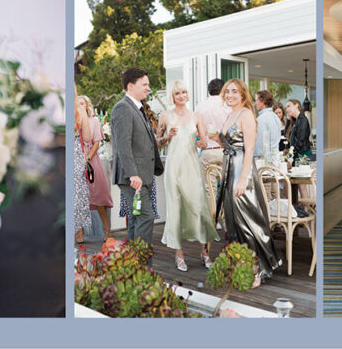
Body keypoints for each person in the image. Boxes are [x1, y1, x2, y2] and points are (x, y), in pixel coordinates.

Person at [215, 79, 282, 287]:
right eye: (227, 91)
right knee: (233, 221)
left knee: (247, 222)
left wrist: (243, 179)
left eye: (235, 91)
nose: (230, 95)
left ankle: (258, 270)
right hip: (229, 168)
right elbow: (229, 144)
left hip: (241, 170)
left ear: (243, 94)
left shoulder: (246, 115)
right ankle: (241, 266)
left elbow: (250, 149)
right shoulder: (230, 114)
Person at [157, 81, 218, 271]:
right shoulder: (165, 116)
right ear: (172, 96)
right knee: (175, 210)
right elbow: (158, 142)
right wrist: (168, 136)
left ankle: (205, 253)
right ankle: (179, 255)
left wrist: (202, 143)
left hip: (193, 167)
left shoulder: (196, 115)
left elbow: (204, 142)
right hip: (174, 168)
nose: (182, 96)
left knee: (199, 208)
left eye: (184, 92)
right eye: (177, 93)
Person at [110, 68, 163, 248]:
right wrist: (133, 174)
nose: (148, 88)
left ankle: (133, 260)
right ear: (131, 86)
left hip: (143, 175)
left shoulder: (138, 108)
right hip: (132, 177)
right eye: (144, 84)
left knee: (136, 218)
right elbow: (123, 145)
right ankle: (142, 260)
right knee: (146, 217)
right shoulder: (123, 108)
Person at [78, 95, 113, 240]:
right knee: (78, 198)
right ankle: (79, 232)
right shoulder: (73, 122)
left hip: (91, 160)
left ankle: (106, 230)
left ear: (87, 105)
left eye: (82, 103)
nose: (80, 106)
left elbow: (97, 143)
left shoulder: (94, 121)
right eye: (77, 104)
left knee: (98, 195)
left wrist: (87, 159)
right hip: (76, 160)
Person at [73, 96, 93, 243]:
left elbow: (87, 138)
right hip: (70, 155)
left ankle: (76, 234)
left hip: (75, 156)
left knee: (77, 198)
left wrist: (83, 114)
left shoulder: (78, 110)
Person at [253, 90, 282, 160]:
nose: (255, 103)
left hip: (264, 160)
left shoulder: (261, 119)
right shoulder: (275, 117)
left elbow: (260, 145)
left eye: (256, 100)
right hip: (275, 158)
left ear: (262, 101)